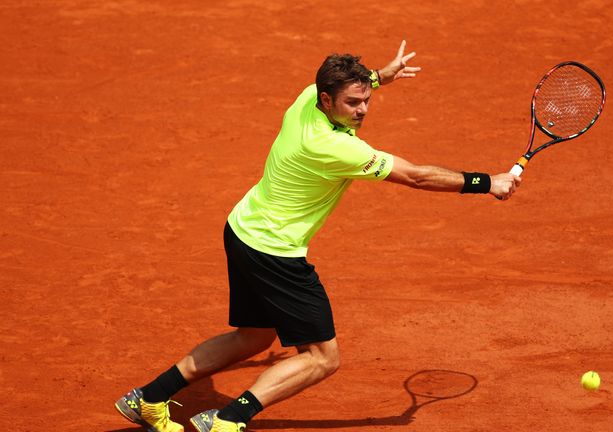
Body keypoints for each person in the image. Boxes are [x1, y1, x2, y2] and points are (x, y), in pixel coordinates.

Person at [115, 40, 521, 432]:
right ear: (327, 101)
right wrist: (486, 183)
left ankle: (150, 397)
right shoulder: (336, 149)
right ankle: (228, 419)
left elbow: (351, 88)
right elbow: (415, 176)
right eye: (353, 103)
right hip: (275, 253)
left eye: (366, 100)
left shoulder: (307, 95)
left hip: (243, 229)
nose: (363, 110)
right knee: (323, 358)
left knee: (253, 337)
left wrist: (380, 76)